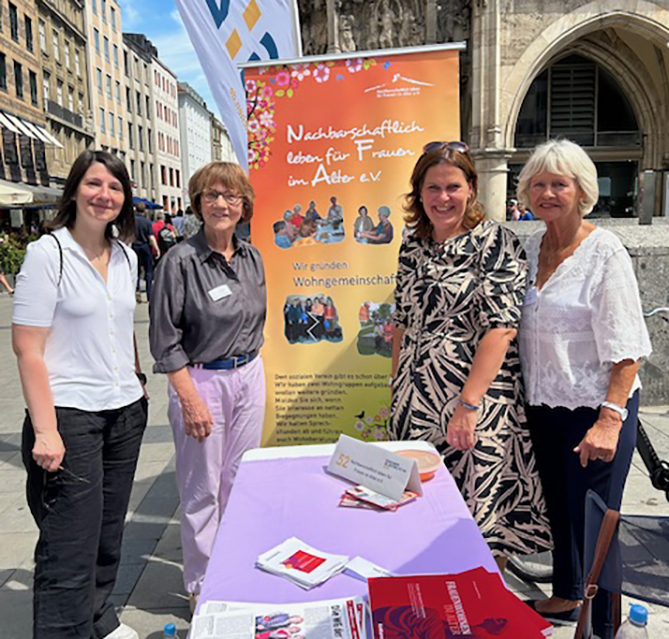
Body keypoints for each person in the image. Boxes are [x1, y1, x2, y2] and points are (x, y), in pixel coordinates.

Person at [389, 141, 551, 571]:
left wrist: (467, 407)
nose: (443, 198)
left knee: (473, 518)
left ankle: (475, 611)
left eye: (453, 187)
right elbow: (403, 322)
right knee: (419, 514)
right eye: (433, 188)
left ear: (471, 189)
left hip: (472, 404)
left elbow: (501, 329)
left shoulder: (495, 242)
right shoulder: (413, 245)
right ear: (418, 193)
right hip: (415, 404)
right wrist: (396, 390)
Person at [516, 139, 652, 636]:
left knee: (599, 522)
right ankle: (570, 595)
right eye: (538, 183)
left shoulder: (603, 252)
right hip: (545, 403)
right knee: (561, 508)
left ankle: (603, 622)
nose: (547, 192)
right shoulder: (529, 246)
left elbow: (627, 347)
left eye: (559, 183)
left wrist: (609, 419)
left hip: (596, 408)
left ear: (581, 191)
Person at [12, 149, 148, 639]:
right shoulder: (48, 254)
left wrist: (137, 380)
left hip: (124, 411)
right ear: (74, 191)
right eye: (94, 184)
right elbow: (28, 348)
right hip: (70, 416)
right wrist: (45, 431)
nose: (104, 195)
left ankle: (97, 617)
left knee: (109, 534)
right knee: (69, 541)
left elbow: (119, 326)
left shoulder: (127, 256)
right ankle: (63, 630)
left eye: (114, 187)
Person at [149, 161, 267, 612]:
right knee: (202, 487)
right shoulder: (179, 261)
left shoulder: (252, 257)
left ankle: (234, 568)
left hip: (247, 374)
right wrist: (190, 397)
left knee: (239, 481)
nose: (221, 203)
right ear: (197, 202)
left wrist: (250, 371)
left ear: (244, 205)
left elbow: (254, 320)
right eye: (211, 195)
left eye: (231, 196)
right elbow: (164, 339)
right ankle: (202, 586)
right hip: (201, 380)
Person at [132, 202, 160, 302]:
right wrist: (156, 249)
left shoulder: (132, 221)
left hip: (134, 246)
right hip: (145, 246)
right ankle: (149, 294)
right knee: (148, 271)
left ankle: (136, 291)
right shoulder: (147, 222)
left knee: (136, 271)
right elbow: (151, 237)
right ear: (144, 211)